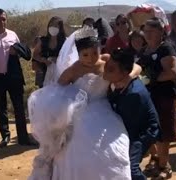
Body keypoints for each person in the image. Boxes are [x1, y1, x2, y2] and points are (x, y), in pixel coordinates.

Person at [28, 26, 141, 180]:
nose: (90, 58)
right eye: (85, 54)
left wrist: (129, 76)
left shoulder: (107, 60)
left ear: (100, 49)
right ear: (78, 53)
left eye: (95, 52)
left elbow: (136, 66)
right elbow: (57, 90)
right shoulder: (74, 70)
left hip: (105, 110)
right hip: (80, 114)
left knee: (114, 145)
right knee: (78, 150)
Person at [0, 8, 36, 147]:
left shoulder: (12, 35)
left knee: (18, 107)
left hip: (14, 76)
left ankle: (23, 138)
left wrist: (16, 51)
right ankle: (5, 137)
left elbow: (21, 52)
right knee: (1, 108)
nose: (2, 22)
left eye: (4, 19)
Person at [105, 49, 160, 180]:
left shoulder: (133, 94)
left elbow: (131, 128)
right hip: (131, 124)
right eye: (107, 66)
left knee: (130, 167)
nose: (105, 70)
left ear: (124, 73)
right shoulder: (119, 79)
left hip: (143, 131)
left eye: (111, 69)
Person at [138, 17, 176, 179]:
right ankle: (156, 160)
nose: (146, 34)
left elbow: (172, 73)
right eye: (145, 31)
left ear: (161, 32)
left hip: (164, 96)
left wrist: (151, 78)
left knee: (163, 131)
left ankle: (164, 166)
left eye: (151, 31)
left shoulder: (166, 49)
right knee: (150, 130)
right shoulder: (144, 50)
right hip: (148, 96)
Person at [32, 16, 66, 87]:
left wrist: (58, 59)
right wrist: (43, 60)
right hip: (44, 73)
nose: (52, 27)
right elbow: (35, 55)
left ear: (60, 28)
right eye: (51, 25)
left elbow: (69, 57)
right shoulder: (42, 40)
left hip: (60, 74)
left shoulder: (64, 41)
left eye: (55, 25)